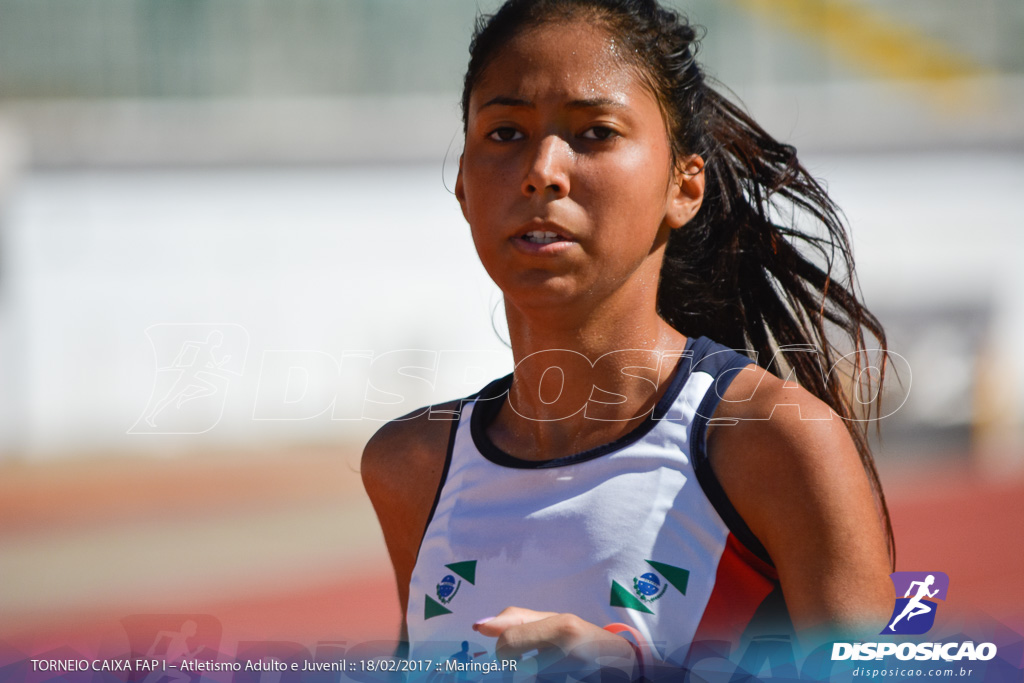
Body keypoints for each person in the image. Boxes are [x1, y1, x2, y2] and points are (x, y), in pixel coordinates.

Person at [362, 0, 895, 677]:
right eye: (504, 133)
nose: (542, 170)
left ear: (684, 185)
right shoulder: (410, 466)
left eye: (594, 133)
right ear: (463, 183)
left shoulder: (777, 442)